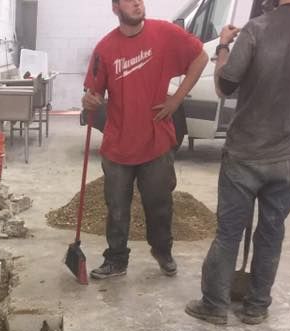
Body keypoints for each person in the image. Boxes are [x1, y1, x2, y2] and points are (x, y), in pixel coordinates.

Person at [186, 0, 290, 325]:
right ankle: (257, 306)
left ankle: (215, 305)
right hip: (289, 156)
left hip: (245, 153)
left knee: (229, 232)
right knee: (272, 232)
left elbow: (225, 85)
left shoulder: (257, 28)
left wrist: (222, 46)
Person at [82, 0, 208, 280]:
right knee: (116, 208)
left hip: (156, 142)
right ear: (116, 8)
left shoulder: (164, 33)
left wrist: (176, 99)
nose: (138, 2)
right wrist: (89, 101)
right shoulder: (105, 48)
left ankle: (163, 252)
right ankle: (116, 259)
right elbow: (93, 94)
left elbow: (200, 57)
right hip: (118, 144)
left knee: (160, 205)